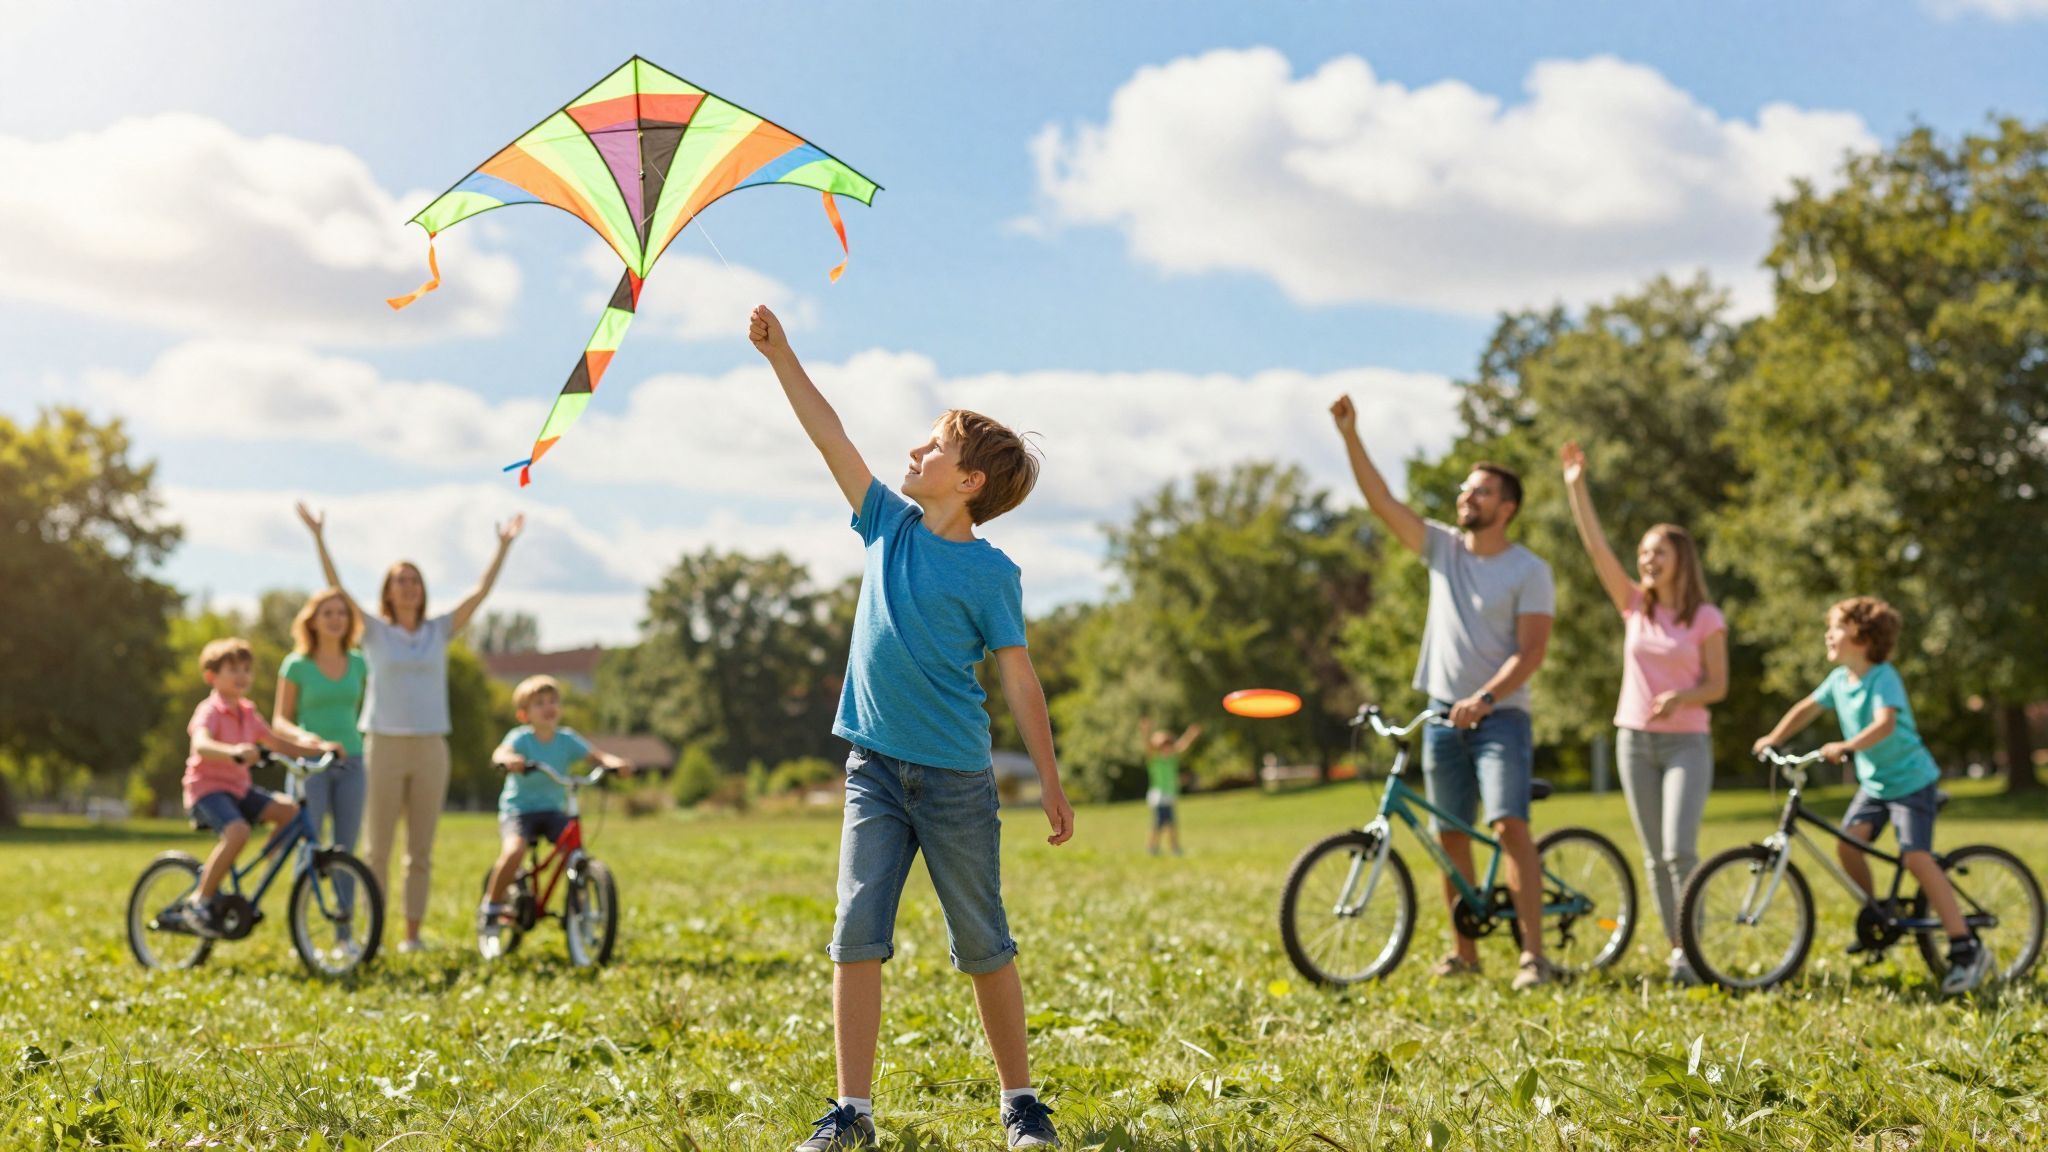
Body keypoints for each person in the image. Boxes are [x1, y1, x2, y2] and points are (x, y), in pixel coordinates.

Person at [750, 304, 1073, 1151]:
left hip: (958, 782)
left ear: (969, 482)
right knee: (856, 933)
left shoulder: (990, 572)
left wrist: (1049, 778)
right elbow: (832, 438)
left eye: (932, 448)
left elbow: (1020, 680)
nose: (914, 453)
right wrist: (782, 355)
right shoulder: (886, 526)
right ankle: (851, 1112)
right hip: (874, 771)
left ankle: (1021, 1101)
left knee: (983, 943)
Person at [1330, 395, 1557, 990]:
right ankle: (1467, 953)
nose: (1466, 496)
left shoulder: (1529, 570)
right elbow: (1382, 502)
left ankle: (1534, 956)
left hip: (1500, 717)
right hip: (1439, 715)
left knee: (1509, 825)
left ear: (1506, 507)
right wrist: (1351, 434)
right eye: (1465, 488)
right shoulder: (1443, 550)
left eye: (1480, 491)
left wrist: (1484, 697)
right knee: (1449, 834)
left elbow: (1530, 652)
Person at [295, 502, 523, 953]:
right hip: (382, 745)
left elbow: (480, 593)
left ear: (423, 590)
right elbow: (336, 587)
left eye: (414, 580)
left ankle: (412, 936)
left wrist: (502, 548)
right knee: (376, 848)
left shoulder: (439, 631)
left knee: (419, 851)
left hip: (430, 747)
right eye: (400, 580)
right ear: (388, 590)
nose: (408, 587)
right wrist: (319, 537)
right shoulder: (374, 631)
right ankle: (371, 936)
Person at [1752, 596, 1990, 995]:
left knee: (1916, 858)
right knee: (1848, 846)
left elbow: (1884, 725)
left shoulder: (1883, 677)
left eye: (1836, 627)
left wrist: (1847, 746)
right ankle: (1878, 910)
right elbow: (1806, 708)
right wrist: (1774, 738)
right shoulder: (1839, 681)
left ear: (1862, 637)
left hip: (1911, 782)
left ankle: (1965, 945)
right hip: (1876, 786)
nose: (1828, 634)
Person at [1560, 442, 1727, 984]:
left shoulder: (1705, 617)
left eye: (1657, 552)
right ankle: (1680, 949)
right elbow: (1595, 548)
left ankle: (1693, 949)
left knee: (1681, 850)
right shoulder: (1634, 606)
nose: (1646, 560)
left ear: (1680, 557)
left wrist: (1684, 697)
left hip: (1686, 743)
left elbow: (1719, 685)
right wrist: (1575, 486)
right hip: (1634, 739)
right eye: (1643, 553)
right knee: (1655, 857)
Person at [179, 638, 340, 936]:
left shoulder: (248, 712)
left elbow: (277, 743)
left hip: (239, 789)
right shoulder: (210, 710)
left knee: (289, 811)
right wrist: (233, 751)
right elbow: (200, 744)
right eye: (233, 670)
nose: (242, 676)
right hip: (207, 790)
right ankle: (199, 900)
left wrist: (320, 750)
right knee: (238, 831)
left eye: (246, 669)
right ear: (212, 676)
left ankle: (264, 862)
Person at [479, 675, 632, 951]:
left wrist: (613, 763)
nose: (548, 707)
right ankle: (492, 906)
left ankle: (579, 908)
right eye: (539, 703)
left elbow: (596, 756)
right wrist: (507, 760)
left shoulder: (567, 739)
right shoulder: (520, 738)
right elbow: (501, 752)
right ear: (524, 714)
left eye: (553, 701)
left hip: (553, 811)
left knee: (574, 852)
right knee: (515, 850)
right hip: (520, 811)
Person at [272, 587, 370, 947]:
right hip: (309, 763)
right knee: (310, 847)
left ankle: (344, 935)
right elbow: (280, 720)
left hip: (352, 760)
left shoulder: (359, 663)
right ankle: (303, 933)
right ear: (313, 620)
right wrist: (310, 740)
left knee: (345, 848)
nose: (335, 619)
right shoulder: (296, 664)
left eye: (341, 613)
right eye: (327, 613)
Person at [1139, 719, 1201, 856]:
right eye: (1163, 746)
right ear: (1158, 748)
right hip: (1159, 797)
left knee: (1171, 824)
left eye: (1168, 745)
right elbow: (1147, 745)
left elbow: (1183, 745)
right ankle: (1154, 847)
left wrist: (1190, 734)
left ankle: (1173, 847)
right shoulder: (1155, 760)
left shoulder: (1172, 759)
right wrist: (1145, 731)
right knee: (1159, 825)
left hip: (1169, 796)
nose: (1167, 749)